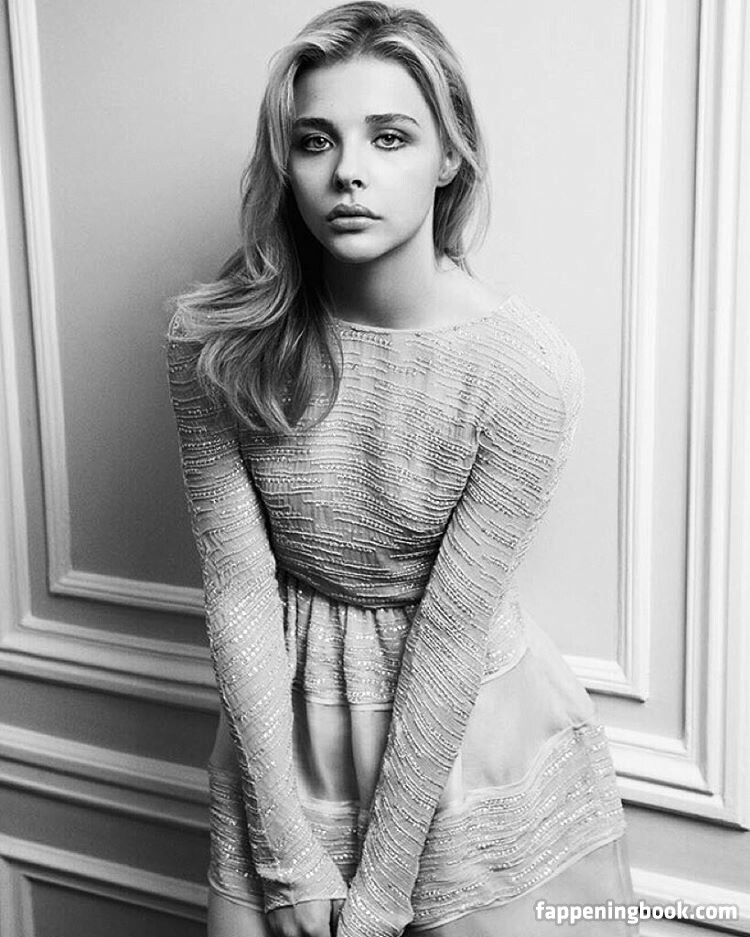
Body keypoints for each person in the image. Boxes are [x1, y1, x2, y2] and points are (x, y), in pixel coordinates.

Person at [165, 3, 638, 935]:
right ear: (286, 163)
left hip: (465, 732)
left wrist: (383, 892)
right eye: (316, 140)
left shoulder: (524, 369)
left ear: (449, 155)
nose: (349, 170)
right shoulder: (214, 341)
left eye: (390, 137)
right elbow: (239, 589)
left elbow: (454, 631)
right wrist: (286, 849)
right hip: (282, 727)